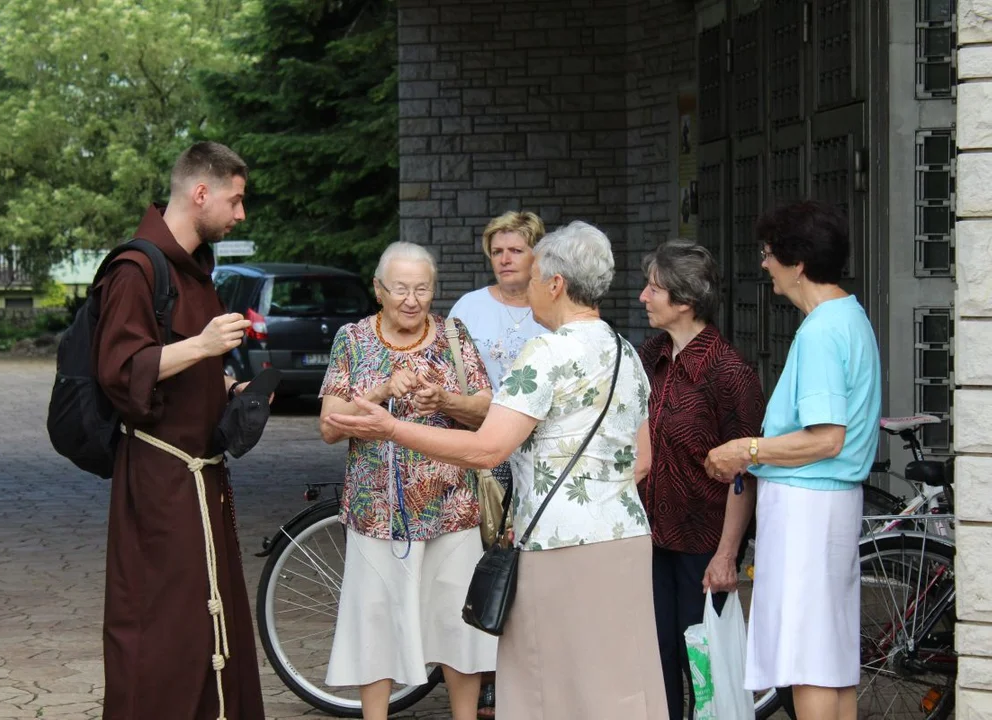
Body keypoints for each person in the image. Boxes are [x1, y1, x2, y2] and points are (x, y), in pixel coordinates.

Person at [325, 221, 667, 720]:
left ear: (556, 284)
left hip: (559, 545)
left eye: (533, 279)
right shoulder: (626, 352)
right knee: (618, 678)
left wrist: (394, 430)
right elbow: (644, 461)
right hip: (627, 538)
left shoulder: (546, 354)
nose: (524, 290)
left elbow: (487, 450)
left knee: (549, 679)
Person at [93, 141, 266, 719]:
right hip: (161, 480)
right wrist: (202, 346)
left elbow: (189, 373)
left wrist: (228, 394)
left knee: (211, 620)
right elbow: (120, 371)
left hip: (202, 477)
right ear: (200, 193)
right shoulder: (136, 269)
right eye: (234, 200)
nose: (240, 214)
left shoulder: (196, 271)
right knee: (161, 627)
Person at [705, 201, 881, 720]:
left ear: (797, 262)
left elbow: (826, 438)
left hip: (809, 505)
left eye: (768, 253)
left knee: (806, 661)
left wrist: (747, 449)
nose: (764, 264)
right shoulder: (848, 316)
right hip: (829, 504)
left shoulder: (823, 330)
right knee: (830, 661)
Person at [318, 241, 497, 720]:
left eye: (422, 288)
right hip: (377, 512)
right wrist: (377, 392)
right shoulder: (353, 340)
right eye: (400, 289)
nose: (412, 300)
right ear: (379, 290)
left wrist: (443, 401)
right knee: (374, 624)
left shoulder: (454, 336)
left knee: (459, 626)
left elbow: (485, 410)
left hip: (451, 507)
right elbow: (330, 427)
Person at [637, 239, 765, 720]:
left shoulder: (730, 372)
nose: (643, 298)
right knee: (655, 657)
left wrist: (727, 555)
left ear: (685, 302)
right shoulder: (650, 354)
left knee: (703, 664)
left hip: (702, 544)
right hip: (650, 537)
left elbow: (745, 474)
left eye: (654, 289)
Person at [448, 210, 548, 720]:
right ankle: (484, 679)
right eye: (497, 250)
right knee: (485, 564)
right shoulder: (468, 308)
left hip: (538, 450)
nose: (505, 259)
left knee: (530, 566)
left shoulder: (549, 305)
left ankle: (522, 677)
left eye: (516, 250)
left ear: (537, 255)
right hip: (484, 449)